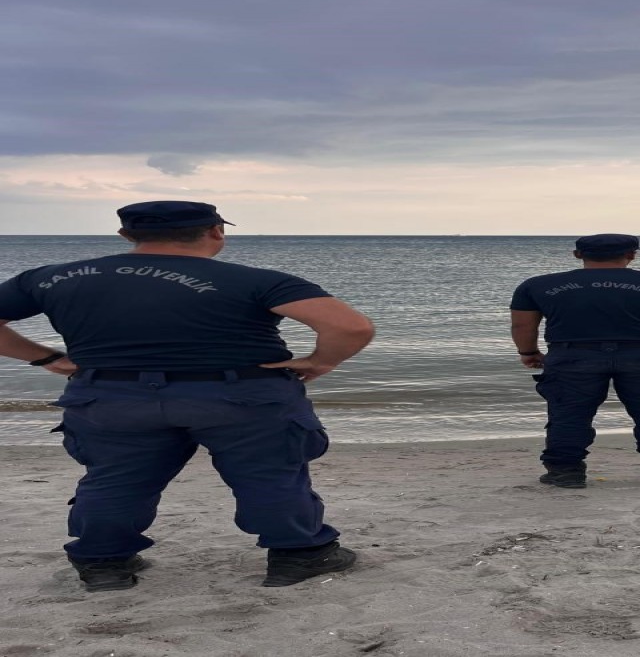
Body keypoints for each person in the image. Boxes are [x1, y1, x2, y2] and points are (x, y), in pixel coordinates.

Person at [0, 201, 375, 592]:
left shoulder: (52, 278)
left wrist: (45, 358)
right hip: (239, 396)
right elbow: (351, 327)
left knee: (116, 478)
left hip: (111, 395)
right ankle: (300, 555)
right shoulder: (257, 280)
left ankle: (103, 563)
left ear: (126, 235)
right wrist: (320, 362)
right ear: (216, 231)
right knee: (269, 474)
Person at [509, 234, 640, 488]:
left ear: (578, 255)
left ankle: (565, 471)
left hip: (573, 356)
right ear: (632, 254)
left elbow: (522, 325)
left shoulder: (537, 285)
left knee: (569, 414)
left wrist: (528, 352)